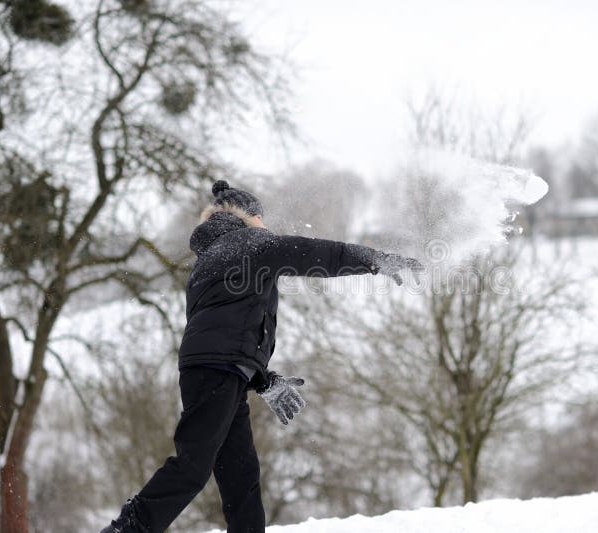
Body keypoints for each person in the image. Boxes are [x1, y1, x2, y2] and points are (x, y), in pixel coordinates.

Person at [101, 180, 424, 533]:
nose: (266, 225)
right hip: (217, 370)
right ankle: (127, 529)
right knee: (193, 466)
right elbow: (315, 253)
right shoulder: (251, 242)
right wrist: (375, 260)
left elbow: (225, 329)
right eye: (261, 217)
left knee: (240, 475)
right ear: (250, 218)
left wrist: (261, 379)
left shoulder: (210, 259)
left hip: (218, 370)